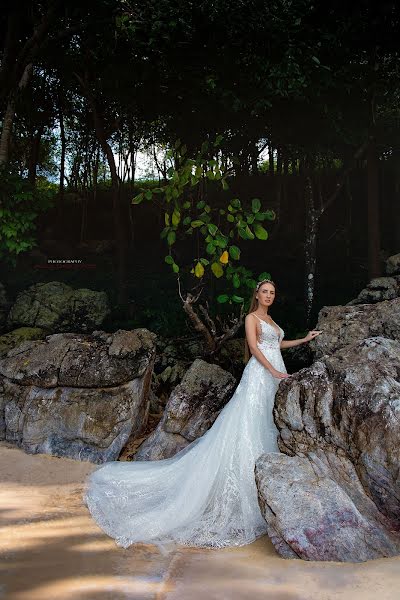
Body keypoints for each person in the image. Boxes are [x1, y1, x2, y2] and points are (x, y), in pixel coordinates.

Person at [83, 279, 322, 549]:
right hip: (260, 375)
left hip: (273, 374)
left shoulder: (271, 319)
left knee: (268, 422)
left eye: (272, 293)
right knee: (249, 424)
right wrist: (274, 371)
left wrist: (304, 339)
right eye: (264, 292)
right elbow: (255, 349)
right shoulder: (251, 317)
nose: (268, 296)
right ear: (256, 294)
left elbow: (275, 345)